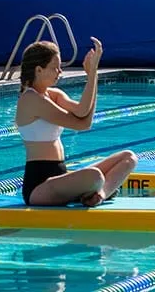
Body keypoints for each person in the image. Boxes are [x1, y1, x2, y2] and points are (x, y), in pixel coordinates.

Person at [15, 38, 137, 207]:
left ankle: (98, 196)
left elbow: (82, 111)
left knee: (129, 157)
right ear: (39, 70)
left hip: (61, 177)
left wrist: (92, 74)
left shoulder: (54, 94)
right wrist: (92, 75)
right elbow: (83, 124)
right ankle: (92, 191)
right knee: (94, 176)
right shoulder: (30, 99)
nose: (60, 72)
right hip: (39, 186)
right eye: (55, 68)